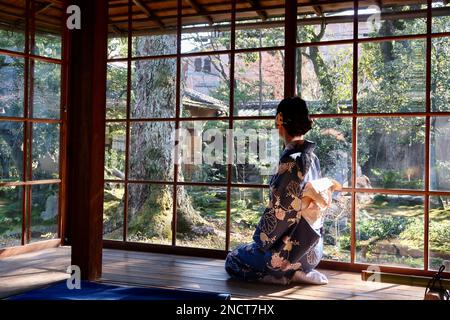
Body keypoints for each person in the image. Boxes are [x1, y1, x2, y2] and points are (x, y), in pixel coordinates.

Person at [225, 97, 331, 285]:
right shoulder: (312, 158)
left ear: (279, 122)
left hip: (290, 253)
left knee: (233, 259)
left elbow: (279, 215)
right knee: (249, 250)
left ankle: (283, 274)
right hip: (313, 251)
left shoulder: (290, 162)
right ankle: (299, 272)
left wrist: (261, 241)